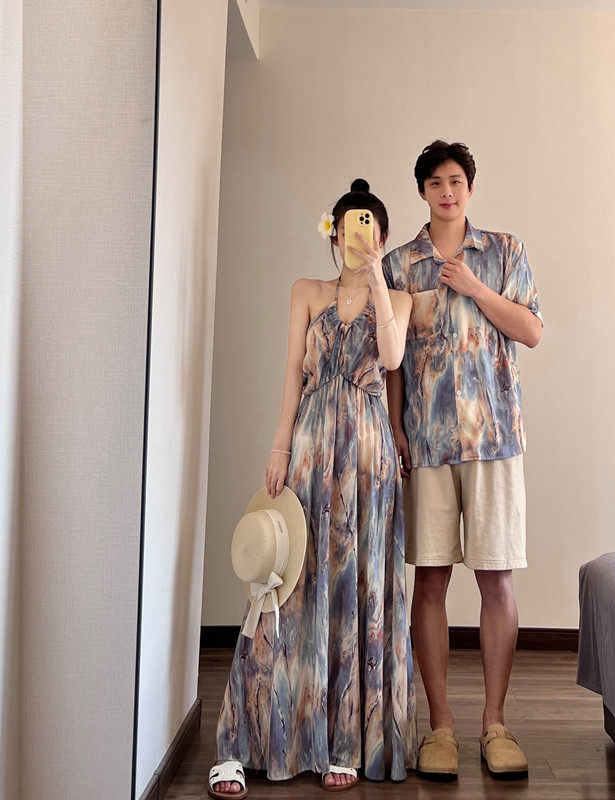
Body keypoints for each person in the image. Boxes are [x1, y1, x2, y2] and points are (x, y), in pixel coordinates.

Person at [209, 179, 416, 796]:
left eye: (369, 227)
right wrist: (278, 446)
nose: (358, 236)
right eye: (349, 226)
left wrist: (376, 274)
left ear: (381, 235)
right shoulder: (305, 291)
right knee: (288, 584)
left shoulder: (399, 299)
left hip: (369, 456)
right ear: (334, 232)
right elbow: (291, 377)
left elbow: (392, 357)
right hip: (309, 446)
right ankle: (249, 738)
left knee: (357, 585)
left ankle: (345, 740)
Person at [382, 141, 543, 781]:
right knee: (429, 580)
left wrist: (474, 288)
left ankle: (495, 725)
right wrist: (395, 426)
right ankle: (440, 726)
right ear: (422, 191)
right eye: (435, 182)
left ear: (470, 187)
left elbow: (531, 330)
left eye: (455, 181)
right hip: (426, 443)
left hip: (494, 439)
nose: (446, 192)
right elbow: (392, 360)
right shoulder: (399, 265)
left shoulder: (504, 252)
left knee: (496, 579)